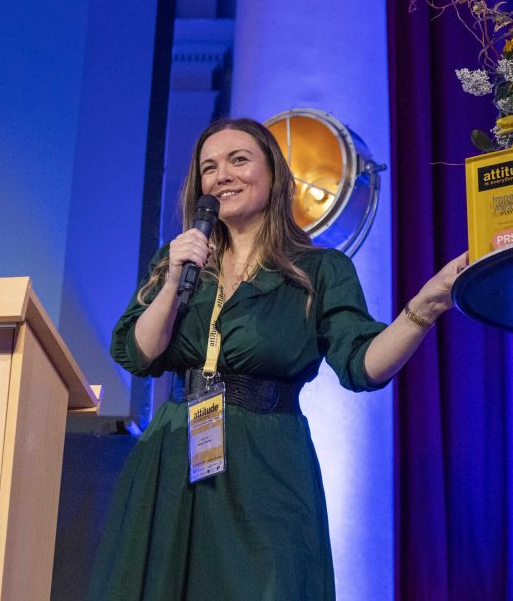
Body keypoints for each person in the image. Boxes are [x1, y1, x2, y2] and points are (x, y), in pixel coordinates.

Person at [89, 117, 467, 600]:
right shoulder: (179, 261)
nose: (221, 175)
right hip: (173, 459)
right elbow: (138, 353)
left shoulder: (320, 269)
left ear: (274, 174)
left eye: (238, 160)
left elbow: (364, 364)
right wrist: (172, 281)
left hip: (265, 469)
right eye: (209, 167)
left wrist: (426, 306)